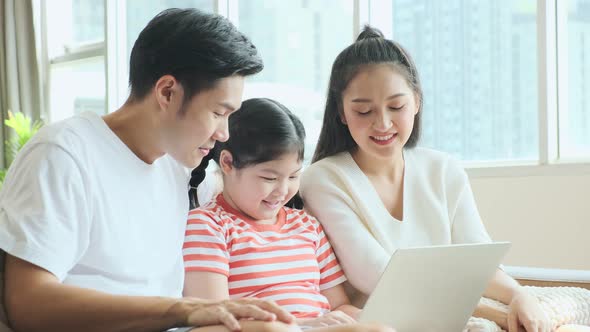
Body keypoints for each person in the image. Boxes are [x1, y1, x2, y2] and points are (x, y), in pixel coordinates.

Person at [0, 8, 296, 332]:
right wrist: (182, 309)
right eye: (217, 113)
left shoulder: (179, 167)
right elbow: (27, 304)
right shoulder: (63, 154)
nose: (224, 133)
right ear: (167, 92)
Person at [299, 26, 551, 332]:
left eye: (396, 106)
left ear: (416, 101)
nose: (383, 123)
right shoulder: (323, 179)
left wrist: (519, 295)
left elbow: (478, 262)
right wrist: (492, 313)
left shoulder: (443, 169)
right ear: (341, 112)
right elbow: (378, 276)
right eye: (364, 111)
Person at [184, 98, 393, 332]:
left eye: (293, 176)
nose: (282, 191)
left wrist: (371, 317)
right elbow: (212, 319)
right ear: (228, 163)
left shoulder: (307, 225)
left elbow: (339, 306)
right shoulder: (208, 226)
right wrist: (302, 324)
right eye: (269, 178)